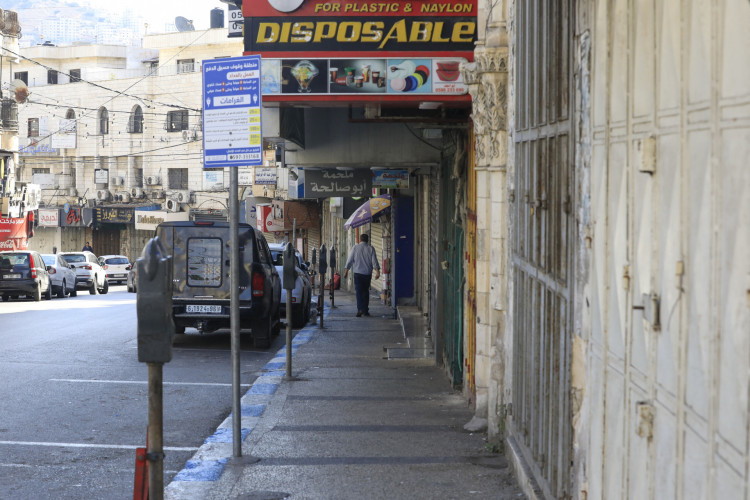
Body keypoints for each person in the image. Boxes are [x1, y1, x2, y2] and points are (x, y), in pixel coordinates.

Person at [343, 233, 380, 317]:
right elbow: (374, 261)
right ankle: (365, 310)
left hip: (358, 274)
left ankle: (360, 309)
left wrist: (346, 271)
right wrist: (377, 272)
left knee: (359, 292)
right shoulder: (371, 248)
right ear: (368, 240)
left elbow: (350, 260)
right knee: (366, 292)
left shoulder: (355, 248)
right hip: (367, 274)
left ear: (360, 240)